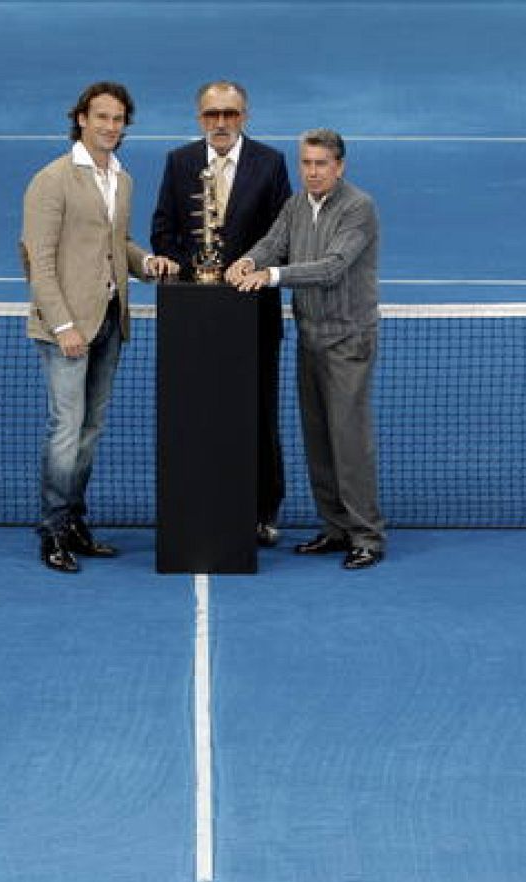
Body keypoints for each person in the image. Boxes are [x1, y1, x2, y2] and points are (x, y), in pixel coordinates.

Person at [22, 81, 177, 573]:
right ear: (82, 119)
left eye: (118, 119)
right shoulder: (52, 180)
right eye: (102, 117)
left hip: (111, 321)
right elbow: (38, 260)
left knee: (90, 430)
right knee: (66, 430)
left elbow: (117, 242)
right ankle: (51, 531)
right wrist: (63, 324)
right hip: (67, 328)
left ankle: (73, 521)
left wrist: (146, 261)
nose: (111, 126)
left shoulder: (121, 179)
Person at [228, 129, 384, 570]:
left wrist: (271, 277)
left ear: (339, 166)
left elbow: (333, 268)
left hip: (348, 340)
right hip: (310, 338)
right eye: (306, 163)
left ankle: (367, 536)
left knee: (349, 442)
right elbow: (272, 243)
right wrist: (248, 261)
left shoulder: (359, 208)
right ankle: (335, 528)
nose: (312, 172)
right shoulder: (297, 204)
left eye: (321, 164)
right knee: (318, 439)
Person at [151, 81, 293, 548]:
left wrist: (249, 270)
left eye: (229, 114)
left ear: (244, 116)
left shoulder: (270, 164)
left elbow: (283, 235)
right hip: (197, 318)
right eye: (211, 114)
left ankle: (263, 510)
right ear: (199, 118)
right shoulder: (180, 163)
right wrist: (195, 272)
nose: (220, 123)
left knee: (259, 412)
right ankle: (202, 499)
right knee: (199, 412)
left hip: (255, 315)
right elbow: (164, 232)